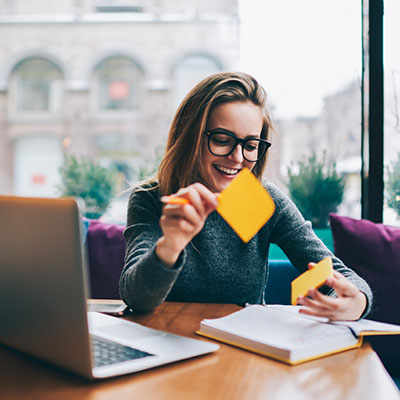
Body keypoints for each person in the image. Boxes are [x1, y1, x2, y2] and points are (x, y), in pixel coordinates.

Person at [120, 71, 372, 321]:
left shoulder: (262, 200)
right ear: (189, 138)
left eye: (250, 145)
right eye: (221, 140)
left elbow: (333, 271)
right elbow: (136, 298)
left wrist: (356, 301)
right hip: (168, 343)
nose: (238, 158)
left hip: (242, 349)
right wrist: (170, 245)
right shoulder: (152, 199)